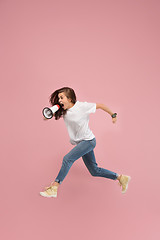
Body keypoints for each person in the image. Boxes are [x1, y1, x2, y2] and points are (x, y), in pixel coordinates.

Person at [40, 87, 131, 198]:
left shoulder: (82, 107)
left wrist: (113, 115)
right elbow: (46, 117)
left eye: (61, 97)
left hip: (88, 141)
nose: (59, 100)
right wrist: (49, 113)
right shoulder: (63, 110)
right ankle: (120, 177)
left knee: (67, 159)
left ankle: (54, 187)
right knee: (94, 171)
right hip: (81, 143)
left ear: (70, 99)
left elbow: (100, 105)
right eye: (59, 98)